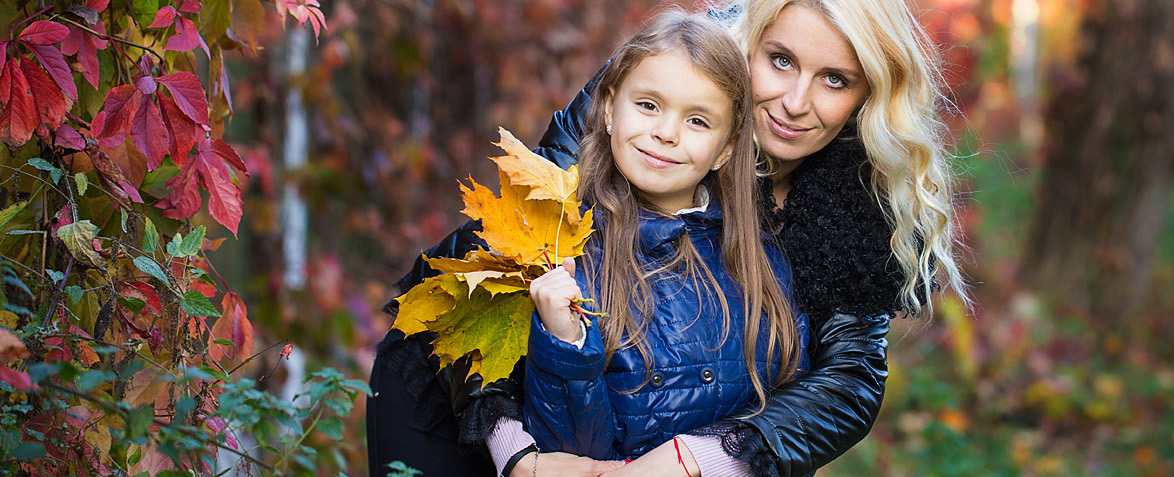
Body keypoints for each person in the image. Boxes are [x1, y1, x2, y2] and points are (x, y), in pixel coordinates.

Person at [366, 0, 965, 475]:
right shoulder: (665, 84)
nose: (794, 102)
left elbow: (848, 380)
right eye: (780, 60)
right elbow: (517, 261)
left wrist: (702, 456)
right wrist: (514, 449)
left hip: (629, 418)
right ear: (750, 41)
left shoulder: (862, 195)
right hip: (463, 376)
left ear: (868, 95)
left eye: (835, 79)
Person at [520, 11, 808, 462]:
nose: (666, 133)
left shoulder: (762, 262)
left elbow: (784, 431)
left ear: (727, 148)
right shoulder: (566, 249)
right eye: (648, 105)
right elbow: (571, 455)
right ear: (610, 108)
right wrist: (566, 342)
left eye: (698, 121)